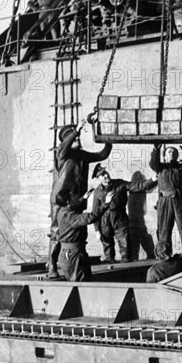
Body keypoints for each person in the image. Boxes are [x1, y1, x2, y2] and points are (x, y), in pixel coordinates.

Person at [47, 119, 112, 278]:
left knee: (77, 230)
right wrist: (76, 130)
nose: (77, 140)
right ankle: (52, 266)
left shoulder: (82, 155)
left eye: (78, 138)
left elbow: (102, 154)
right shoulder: (62, 155)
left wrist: (109, 139)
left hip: (77, 200)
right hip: (60, 200)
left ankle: (75, 260)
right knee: (57, 233)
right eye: (74, 138)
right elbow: (64, 147)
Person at [91, 164, 157, 263]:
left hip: (120, 218)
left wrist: (152, 179)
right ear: (98, 178)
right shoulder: (97, 192)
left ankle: (126, 265)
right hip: (104, 220)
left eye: (106, 172)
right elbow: (95, 211)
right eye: (102, 175)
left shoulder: (120, 183)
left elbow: (138, 186)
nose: (106, 175)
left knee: (125, 245)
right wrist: (97, 230)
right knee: (107, 246)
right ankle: (110, 266)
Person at [55, 190, 108, 282]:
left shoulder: (62, 211)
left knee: (83, 283)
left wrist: (83, 199)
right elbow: (90, 217)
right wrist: (106, 203)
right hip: (74, 256)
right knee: (81, 286)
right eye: (74, 195)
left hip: (71, 253)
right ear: (68, 202)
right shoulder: (70, 217)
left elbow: (73, 208)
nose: (77, 196)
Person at [150, 143, 182, 248]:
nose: (172, 153)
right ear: (165, 156)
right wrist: (156, 151)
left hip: (179, 201)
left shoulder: (181, 168)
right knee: (164, 231)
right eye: (169, 152)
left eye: (175, 152)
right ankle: (165, 256)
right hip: (165, 202)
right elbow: (153, 163)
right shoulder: (160, 167)